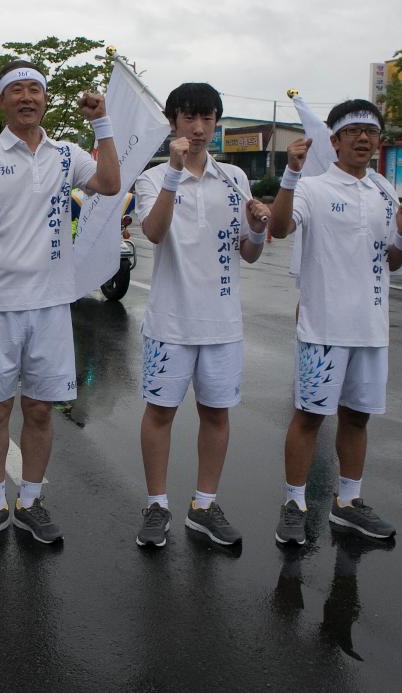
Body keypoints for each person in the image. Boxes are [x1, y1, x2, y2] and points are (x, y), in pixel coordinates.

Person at [0, 60, 120, 546]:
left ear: (45, 100)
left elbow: (109, 184)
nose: (27, 97)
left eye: (35, 89)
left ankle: (32, 500)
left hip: (52, 305)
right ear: (2, 101)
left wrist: (102, 124)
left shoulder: (66, 154)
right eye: (16, 89)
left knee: (39, 410)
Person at [268, 99, 402, 545]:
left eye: (370, 131)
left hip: (371, 330)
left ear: (378, 141)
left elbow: (390, 261)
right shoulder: (313, 188)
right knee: (309, 418)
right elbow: (278, 228)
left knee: (357, 419)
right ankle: (294, 503)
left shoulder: (384, 191)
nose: (362, 138)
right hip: (323, 329)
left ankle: (348, 503)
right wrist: (290, 174)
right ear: (334, 140)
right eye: (352, 130)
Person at [133, 83, 271, 549]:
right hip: (170, 324)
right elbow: (153, 232)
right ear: (172, 121)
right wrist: (173, 171)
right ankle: (156, 506)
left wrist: (256, 227)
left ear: (216, 122)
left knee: (216, 415)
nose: (197, 127)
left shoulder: (234, 178)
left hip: (223, 325)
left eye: (207, 118)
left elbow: (248, 253)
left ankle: (204, 505)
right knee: (160, 414)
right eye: (188, 117)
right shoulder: (153, 178)